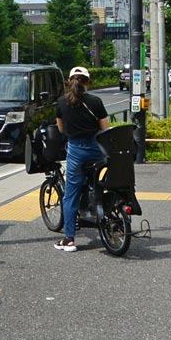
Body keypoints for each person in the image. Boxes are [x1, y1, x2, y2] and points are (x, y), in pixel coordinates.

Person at [53, 66, 109, 252]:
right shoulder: (96, 101)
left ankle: (69, 239)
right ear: (88, 82)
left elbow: (61, 130)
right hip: (96, 150)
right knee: (101, 182)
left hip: (76, 150)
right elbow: (105, 128)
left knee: (71, 194)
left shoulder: (61, 103)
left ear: (69, 81)